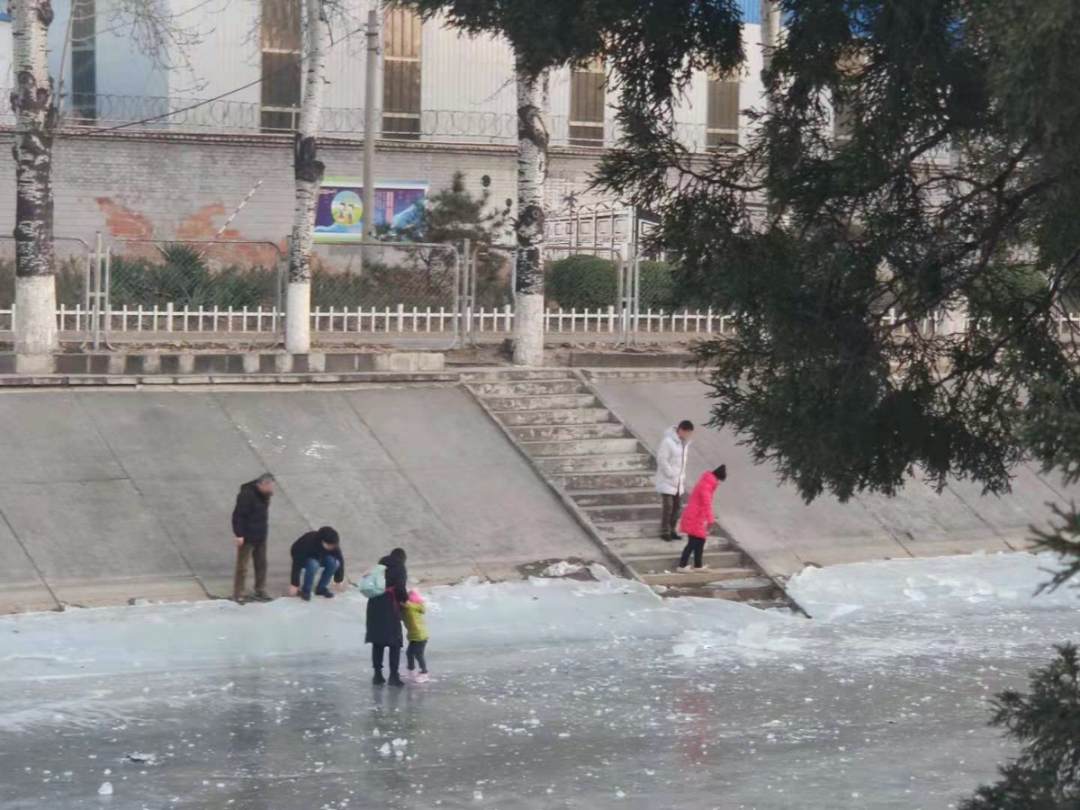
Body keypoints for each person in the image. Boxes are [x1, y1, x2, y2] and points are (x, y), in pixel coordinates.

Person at [366, 548, 408, 687]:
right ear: (402, 558)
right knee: (394, 642)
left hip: (374, 605)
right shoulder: (399, 567)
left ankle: (377, 675)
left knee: (377, 641)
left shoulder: (379, 567)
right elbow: (401, 588)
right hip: (389, 605)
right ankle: (393, 676)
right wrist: (405, 599)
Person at [231, 473, 275, 602]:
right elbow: (238, 516)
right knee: (242, 567)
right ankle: (238, 593)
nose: (272, 490)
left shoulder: (265, 495)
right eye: (270, 486)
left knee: (261, 564)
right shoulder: (246, 495)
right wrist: (239, 534)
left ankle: (260, 589)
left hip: (260, 535)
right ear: (263, 484)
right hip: (247, 536)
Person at [678, 465, 728, 572]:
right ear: (717, 477)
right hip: (694, 517)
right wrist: (711, 519)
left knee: (700, 540)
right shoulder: (706, 486)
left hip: (697, 516)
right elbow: (707, 504)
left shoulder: (707, 482)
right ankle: (682, 566)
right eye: (719, 480)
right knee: (693, 542)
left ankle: (698, 565)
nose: (719, 483)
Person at [656, 420, 694, 541]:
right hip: (667, 480)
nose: (689, 435)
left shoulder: (685, 444)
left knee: (677, 508)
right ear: (681, 430)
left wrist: (681, 477)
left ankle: (672, 530)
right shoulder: (668, 442)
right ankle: (664, 531)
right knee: (668, 507)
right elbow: (662, 459)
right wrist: (670, 474)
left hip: (678, 482)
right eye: (687, 432)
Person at [288, 526, 345, 601]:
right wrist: (294, 584)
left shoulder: (333, 544)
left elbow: (340, 559)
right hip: (304, 556)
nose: (332, 547)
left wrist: (338, 580)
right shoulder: (308, 542)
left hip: (320, 555)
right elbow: (297, 563)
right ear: (322, 541)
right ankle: (306, 591)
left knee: (334, 563)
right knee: (313, 564)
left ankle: (321, 589)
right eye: (329, 545)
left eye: (333, 546)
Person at [402, 590, 430, 682]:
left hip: (420, 635)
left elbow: (407, 605)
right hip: (414, 635)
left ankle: (424, 673)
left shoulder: (411, 606)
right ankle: (411, 671)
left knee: (418, 654)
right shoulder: (407, 609)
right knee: (409, 653)